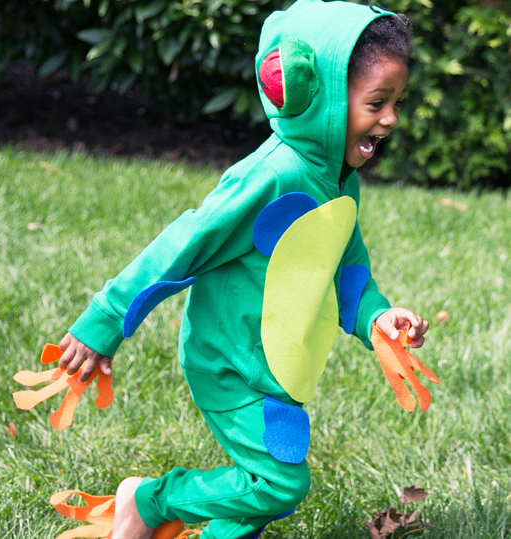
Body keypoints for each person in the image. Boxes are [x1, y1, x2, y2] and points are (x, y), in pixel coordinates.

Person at [57, 1, 429, 538]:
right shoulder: (271, 176)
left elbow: (348, 268)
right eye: (377, 102)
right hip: (228, 359)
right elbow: (185, 243)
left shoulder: (339, 179)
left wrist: (378, 318)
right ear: (320, 95)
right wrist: (106, 320)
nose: (391, 118)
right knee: (279, 482)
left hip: (278, 365)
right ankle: (149, 502)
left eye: (396, 102)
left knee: (264, 485)